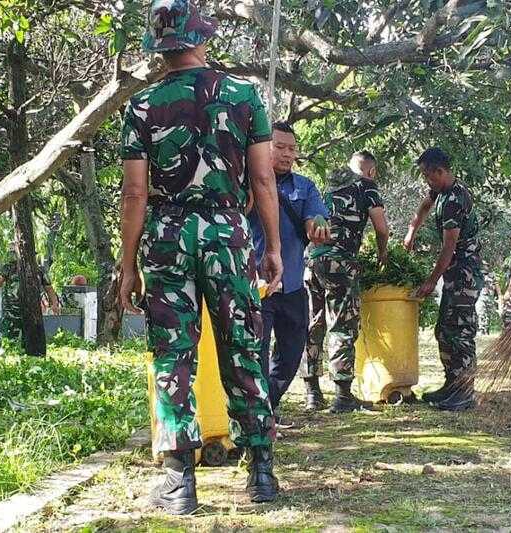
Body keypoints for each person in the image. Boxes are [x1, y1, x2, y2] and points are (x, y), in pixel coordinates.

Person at [118, 0, 283, 513]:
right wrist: (272, 245)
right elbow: (262, 178)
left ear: (162, 47)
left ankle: (178, 482)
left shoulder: (143, 105)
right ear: (202, 39)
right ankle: (260, 473)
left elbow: (135, 193)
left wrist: (128, 265)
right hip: (228, 232)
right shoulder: (243, 95)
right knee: (243, 347)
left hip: (167, 236)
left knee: (173, 351)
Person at [248, 121, 330, 420]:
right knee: (255, 351)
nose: (286, 154)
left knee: (292, 351)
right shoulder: (247, 182)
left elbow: (316, 217)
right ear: (264, 147)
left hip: (293, 284)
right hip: (256, 285)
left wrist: (317, 227)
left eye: (291, 149)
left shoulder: (305, 187)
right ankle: (258, 414)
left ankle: (265, 404)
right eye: (279, 147)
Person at [300, 151, 389, 413]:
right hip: (341, 263)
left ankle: (312, 393)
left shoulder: (330, 184)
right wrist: (382, 253)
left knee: (313, 323)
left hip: (312, 260)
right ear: (371, 171)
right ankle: (342, 396)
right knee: (342, 324)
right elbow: (381, 228)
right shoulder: (367, 186)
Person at [404, 147, 483, 411]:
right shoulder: (441, 193)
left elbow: (449, 247)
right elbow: (426, 204)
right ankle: (452, 385)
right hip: (454, 274)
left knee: (459, 332)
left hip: (464, 273)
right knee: (444, 330)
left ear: (440, 171)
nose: (427, 181)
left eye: (428, 175)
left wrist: (430, 280)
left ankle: (465, 392)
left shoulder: (454, 199)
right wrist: (412, 230)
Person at [0, 243, 61, 339]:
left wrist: (55, 304)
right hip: (12, 311)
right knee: (10, 338)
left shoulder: (39, 270)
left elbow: (49, 288)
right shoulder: (9, 267)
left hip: (31, 310)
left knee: (30, 339)